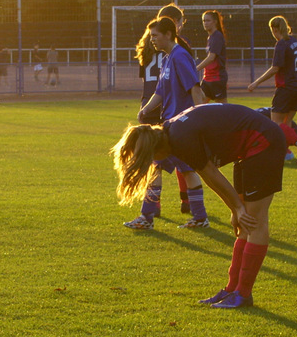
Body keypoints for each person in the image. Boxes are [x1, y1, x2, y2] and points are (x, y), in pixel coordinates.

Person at [112, 103, 286, 308]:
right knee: (245, 221)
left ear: (155, 150)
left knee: (255, 221)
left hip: (264, 141)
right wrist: (235, 209)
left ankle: (243, 294)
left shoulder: (180, 139)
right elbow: (210, 175)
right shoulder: (172, 132)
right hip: (249, 148)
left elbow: (210, 174)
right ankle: (233, 289)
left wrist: (238, 208)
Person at [124, 16, 209, 230]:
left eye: (155, 35)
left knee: (160, 166)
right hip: (171, 124)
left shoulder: (180, 56)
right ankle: (199, 218)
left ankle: (147, 217)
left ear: (168, 34)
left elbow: (195, 88)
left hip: (182, 126)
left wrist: (200, 118)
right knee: (181, 169)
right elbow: (160, 91)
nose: (152, 39)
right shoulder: (168, 57)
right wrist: (145, 109)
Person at [135, 3, 196, 214]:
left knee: (155, 160)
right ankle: (187, 201)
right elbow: (189, 80)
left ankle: (154, 206)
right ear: (174, 23)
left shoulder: (145, 44)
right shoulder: (177, 46)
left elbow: (145, 77)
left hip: (151, 102)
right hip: (169, 105)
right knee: (182, 159)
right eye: (180, 22)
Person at [247, 15, 297, 156]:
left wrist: (256, 82)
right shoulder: (295, 42)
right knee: (287, 122)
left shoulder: (281, 44)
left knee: (276, 123)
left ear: (274, 29)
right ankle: (285, 152)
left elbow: (275, 68)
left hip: (286, 88)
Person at [196, 10, 228, 103]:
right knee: (199, 104)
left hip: (216, 78)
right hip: (207, 78)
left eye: (208, 20)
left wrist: (196, 68)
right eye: (204, 21)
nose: (205, 23)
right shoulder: (210, 37)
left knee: (222, 107)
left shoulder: (217, 36)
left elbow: (211, 57)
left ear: (215, 22)